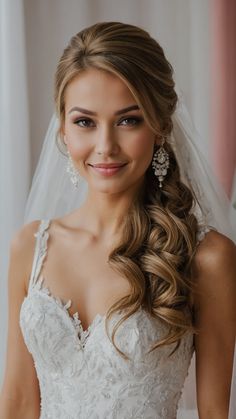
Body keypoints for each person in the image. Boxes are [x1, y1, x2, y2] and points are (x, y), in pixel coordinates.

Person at [0, 21, 235, 419]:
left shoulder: (206, 258)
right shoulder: (31, 247)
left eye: (129, 120)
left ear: (160, 127)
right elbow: (19, 404)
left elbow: (215, 413)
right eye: (85, 122)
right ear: (63, 128)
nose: (105, 146)